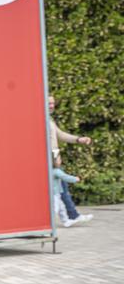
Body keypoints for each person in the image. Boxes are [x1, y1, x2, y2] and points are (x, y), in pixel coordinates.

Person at [48, 95, 93, 226]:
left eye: (53, 103)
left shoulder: (49, 119)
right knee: (60, 189)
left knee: (62, 189)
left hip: (53, 159)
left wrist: (79, 139)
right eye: (49, 103)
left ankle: (71, 215)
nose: (52, 106)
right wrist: (55, 157)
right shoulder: (41, 119)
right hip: (49, 161)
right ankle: (71, 216)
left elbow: (60, 135)